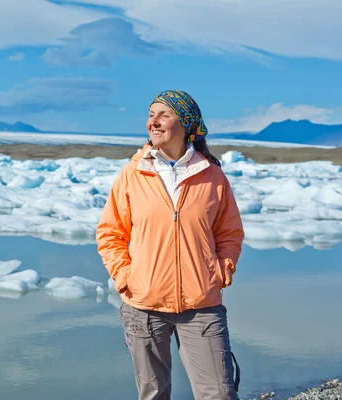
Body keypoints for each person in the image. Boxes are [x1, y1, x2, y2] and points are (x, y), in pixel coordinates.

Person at [96, 90, 244, 400]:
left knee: (218, 393)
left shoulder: (212, 177)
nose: (154, 121)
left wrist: (219, 272)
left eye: (163, 115)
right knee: (154, 395)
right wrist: (127, 277)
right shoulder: (134, 174)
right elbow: (110, 233)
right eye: (151, 115)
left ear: (187, 123)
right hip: (144, 306)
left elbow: (229, 234)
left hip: (201, 306)